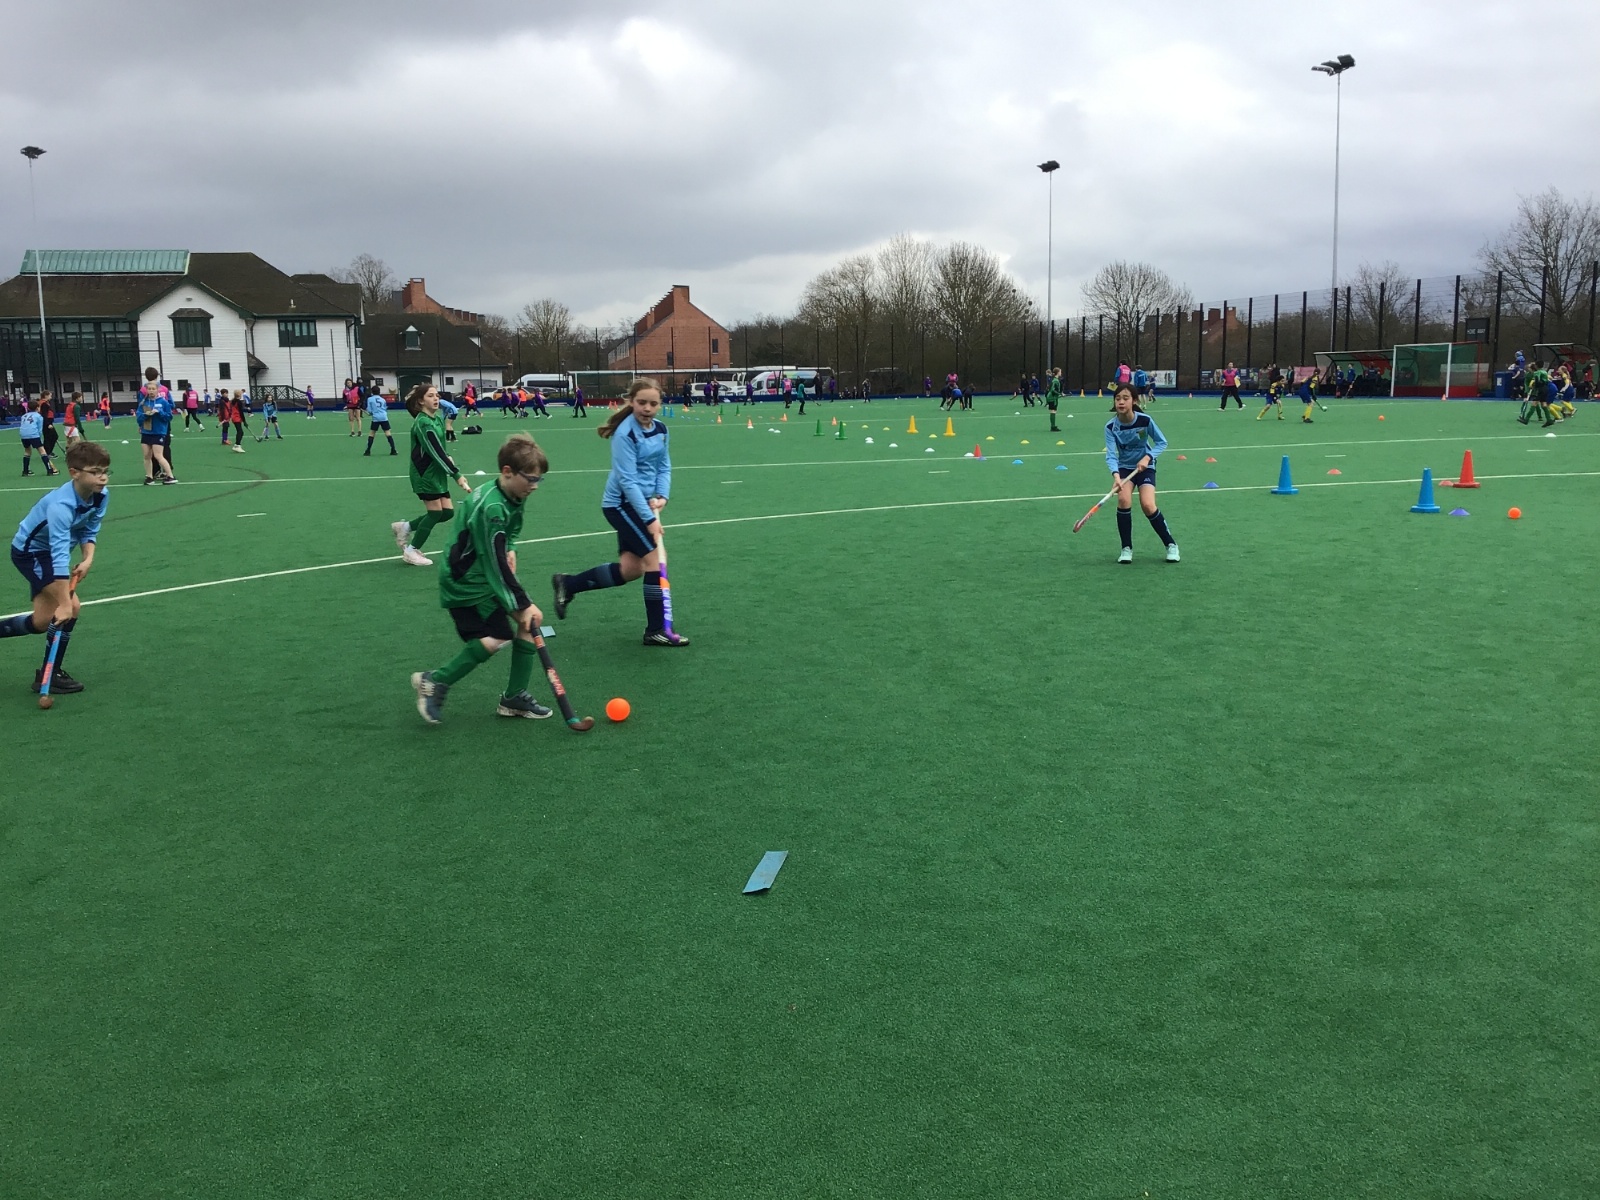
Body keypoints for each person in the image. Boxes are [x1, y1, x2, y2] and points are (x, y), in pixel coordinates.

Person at [410, 432, 553, 724]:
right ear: (507, 471)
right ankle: (435, 681)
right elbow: (494, 565)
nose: (535, 486)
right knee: (497, 636)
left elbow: (511, 531)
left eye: (539, 479)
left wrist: (510, 547)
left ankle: (514, 697)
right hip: (466, 583)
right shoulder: (493, 507)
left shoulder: (513, 493)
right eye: (530, 479)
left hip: (482, 575)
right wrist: (522, 601)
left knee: (531, 621)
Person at [549, 377, 689, 647]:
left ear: (660, 404)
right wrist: (648, 520)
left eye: (653, 404)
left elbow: (664, 465)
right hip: (621, 504)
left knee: (631, 569)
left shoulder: (661, 429)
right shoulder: (625, 434)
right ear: (631, 401)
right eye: (641, 402)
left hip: (643, 502)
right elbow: (627, 481)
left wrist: (662, 495)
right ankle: (656, 630)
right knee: (654, 559)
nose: (647, 408)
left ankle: (568, 584)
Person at [1, 437, 111, 695]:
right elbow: (59, 555)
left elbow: (89, 529)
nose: (103, 478)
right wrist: (64, 602)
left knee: (41, 622)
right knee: (71, 607)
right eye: (95, 472)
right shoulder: (61, 506)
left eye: (105, 471)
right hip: (31, 553)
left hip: (50, 554)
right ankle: (50, 675)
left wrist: (87, 559)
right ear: (74, 473)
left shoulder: (100, 496)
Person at [393, 383, 473, 567]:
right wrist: (456, 475)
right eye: (430, 396)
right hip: (425, 474)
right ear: (421, 401)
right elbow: (434, 451)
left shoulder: (436, 419)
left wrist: (448, 458)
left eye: (437, 395)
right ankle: (411, 551)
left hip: (437, 472)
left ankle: (405, 527)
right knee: (435, 512)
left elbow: (440, 448)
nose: (436, 398)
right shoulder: (423, 423)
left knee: (447, 512)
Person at [1105, 382, 1178, 564]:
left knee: (1147, 504)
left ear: (1134, 401)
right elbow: (1111, 455)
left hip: (1146, 466)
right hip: (1124, 467)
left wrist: (1148, 457)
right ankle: (1126, 548)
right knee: (1123, 500)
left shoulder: (1144, 420)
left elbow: (1162, 442)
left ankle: (1171, 545)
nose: (1121, 402)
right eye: (1117, 398)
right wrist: (1116, 476)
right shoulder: (1111, 427)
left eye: (1125, 398)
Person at [135, 369, 178, 484]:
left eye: (153, 389)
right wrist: (145, 415)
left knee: (158, 455)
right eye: (149, 389)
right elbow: (138, 417)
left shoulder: (163, 402)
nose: (151, 391)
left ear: (158, 390)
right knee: (146, 456)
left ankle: (170, 475)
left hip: (159, 431)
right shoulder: (144, 403)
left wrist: (159, 413)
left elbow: (169, 416)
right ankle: (149, 477)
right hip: (146, 431)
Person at [19, 399, 55, 476]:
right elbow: (39, 429)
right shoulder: (39, 416)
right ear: (38, 408)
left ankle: (25, 471)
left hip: (23, 435)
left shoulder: (23, 416)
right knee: (42, 451)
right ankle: (49, 470)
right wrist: (39, 438)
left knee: (27, 451)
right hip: (33, 434)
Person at [364, 386, 397, 455]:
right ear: (379, 392)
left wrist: (369, 412)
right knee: (388, 433)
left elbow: (369, 411)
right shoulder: (383, 399)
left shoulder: (370, 399)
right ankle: (393, 450)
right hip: (384, 417)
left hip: (376, 418)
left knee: (372, 433)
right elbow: (385, 408)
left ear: (372, 392)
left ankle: (368, 451)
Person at [1045, 367, 1062, 432]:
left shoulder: (1055, 379)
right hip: (1052, 398)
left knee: (1053, 411)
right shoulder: (1055, 380)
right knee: (1053, 411)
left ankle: (1053, 426)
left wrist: (1060, 393)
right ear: (1057, 373)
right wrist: (1058, 394)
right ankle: (1053, 427)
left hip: (1052, 397)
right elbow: (1052, 390)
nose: (1061, 373)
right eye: (1060, 372)